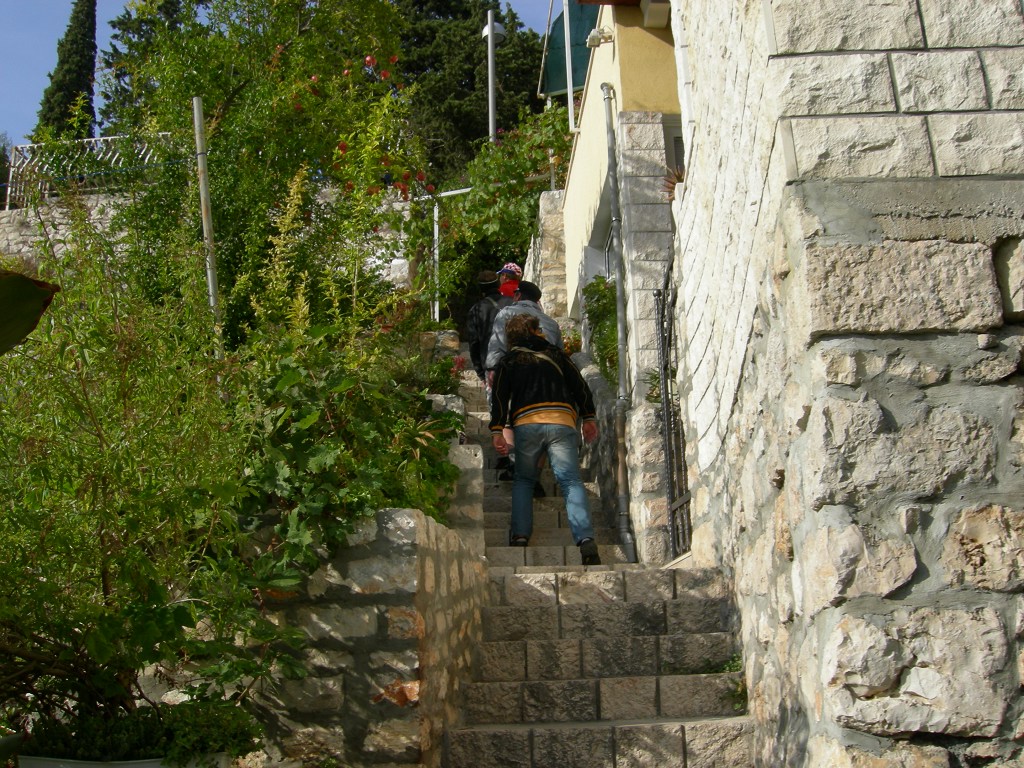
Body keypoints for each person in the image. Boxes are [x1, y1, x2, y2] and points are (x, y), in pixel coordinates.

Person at [489, 313, 601, 565]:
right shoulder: (557, 355)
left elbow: (499, 398)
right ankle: (585, 540)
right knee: (570, 481)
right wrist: (588, 417)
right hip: (562, 422)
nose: (542, 332)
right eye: (538, 328)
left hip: (526, 426)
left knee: (524, 480)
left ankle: (520, 536)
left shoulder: (508, 362)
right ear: (532, 331)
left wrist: (497, 430)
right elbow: (580, 386)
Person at [484, 280, 562, 374]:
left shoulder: (507, 313)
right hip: (546, 375)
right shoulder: (552, 323)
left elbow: (497, 345)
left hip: (517, 373)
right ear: (537, 301)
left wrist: (492, 370)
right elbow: (560, 354)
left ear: (518, 295)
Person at [465, 270, 512, 382]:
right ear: (498, 285)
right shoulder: (512, 303)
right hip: (514, 363)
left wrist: (480, 373)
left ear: (481, 289)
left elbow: (474, 343)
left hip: (491, 368)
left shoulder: (476, 310)